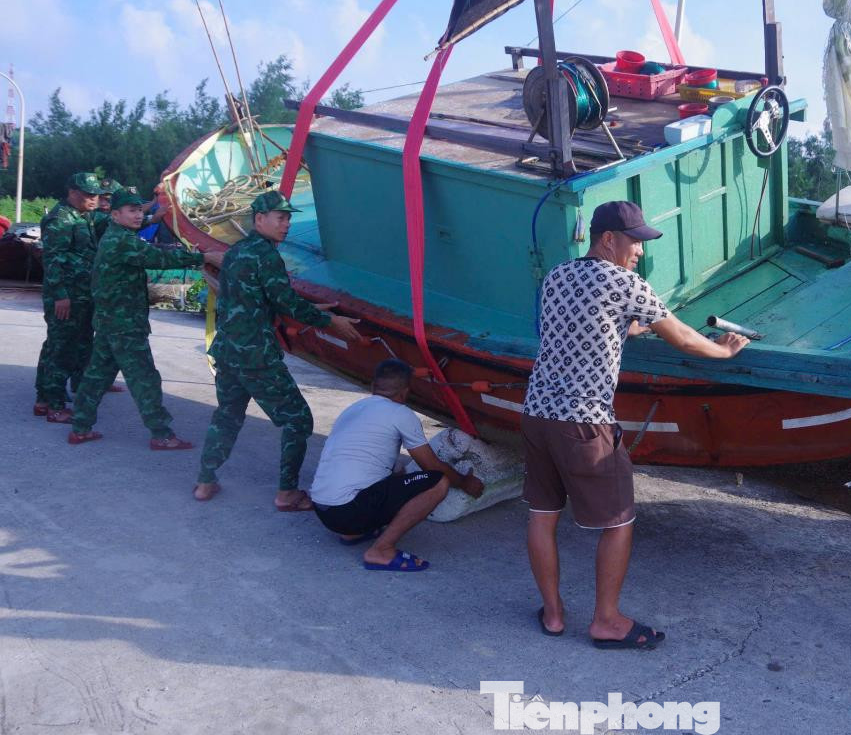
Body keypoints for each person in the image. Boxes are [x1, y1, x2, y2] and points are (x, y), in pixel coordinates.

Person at [521, 200, 749, 648]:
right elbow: (683, 338)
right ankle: (606, 621)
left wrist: (639, 321)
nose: (640, 251)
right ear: (609, 239)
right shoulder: (626, 282)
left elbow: (601, 326)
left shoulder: (557, 276)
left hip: (536, 414)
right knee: (619, 520)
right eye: (636, 241)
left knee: (542, 514)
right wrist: (722, 350)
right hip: (585, 424)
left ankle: (552, 613)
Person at [195, 190, 362, 511]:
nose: (287, 224)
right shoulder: (267, 255)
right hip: (256, 355)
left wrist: (312, 305)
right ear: (260, 219)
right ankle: (287, 493)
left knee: (227, 415)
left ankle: (205, 481)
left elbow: (265, 297)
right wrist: (330, 321)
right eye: (281, 218)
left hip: (228, 351)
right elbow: (284, 301)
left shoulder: (237, 251)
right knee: (298, 420)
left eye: (289, 218)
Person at [68, 188, 223, 448]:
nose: (138, 215)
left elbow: (141, 241)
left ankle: (80, 427)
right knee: (144, 379)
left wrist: (154, 217)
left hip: (110, 320)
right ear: (115, 214)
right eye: (132, 211)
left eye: (140, 210)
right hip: (124, 323)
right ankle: (161, 434)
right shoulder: (123, 241)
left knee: (97, 376)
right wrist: (204, 256)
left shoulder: (116, 234)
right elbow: (158, 258)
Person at [309, 359, 486, 570]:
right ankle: (381, 550)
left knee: (398, 473)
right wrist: (465, 482)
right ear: (404, 393)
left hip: (324, 509)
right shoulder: (401, 414)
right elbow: (430, 465)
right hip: (349, 511)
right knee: (438, 482)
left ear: (374, 386)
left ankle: (353, 534)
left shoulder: (353, 409)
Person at [34, 172, 104, 422]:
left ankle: (43, 398)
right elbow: (52, 260)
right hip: (66, 296)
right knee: (62, 349)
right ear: (72, 192)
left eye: (95, 194)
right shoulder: (60, 219)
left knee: (58, 345)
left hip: (81, 294)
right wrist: (61, 296)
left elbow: (113, 219)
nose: (93, 198)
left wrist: (152, 211)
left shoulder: (83, 215)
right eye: (88, 194)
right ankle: (54, 405)